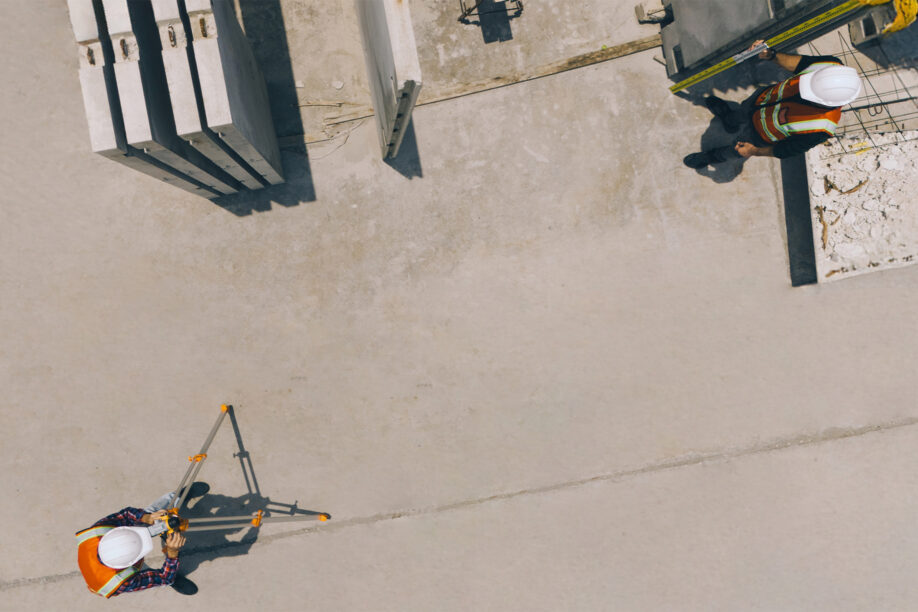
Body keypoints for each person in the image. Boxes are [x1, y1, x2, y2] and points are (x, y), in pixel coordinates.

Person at [683, 39, 862, 168]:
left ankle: (714, 156)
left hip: (758, 135)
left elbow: (784, 151)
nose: (803, 89)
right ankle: (730, 119)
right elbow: (798, 63)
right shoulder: (829, 67)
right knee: (743, 109)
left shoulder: (820, 129)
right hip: (761, 100)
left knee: (737, 149)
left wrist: (753, 150)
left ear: (827, 103)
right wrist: (771, 55)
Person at [75, 491, 196, 597]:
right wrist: (172, 553)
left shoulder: (98, 531)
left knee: (151, 513)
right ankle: (171, 580)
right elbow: (163, 576)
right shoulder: (122, 581)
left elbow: (125, 515)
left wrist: (145, 517)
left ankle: (177, 496)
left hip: (101, 560)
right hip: (116, 578)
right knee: (161, 578)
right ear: (134, 560)